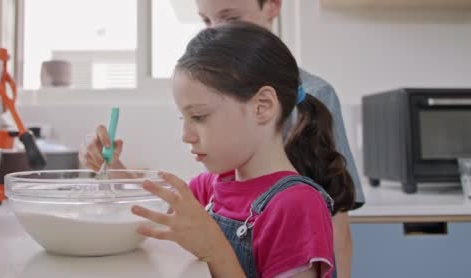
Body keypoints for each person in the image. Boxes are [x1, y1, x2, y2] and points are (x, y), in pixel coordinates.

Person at [80, 0, 365, 276]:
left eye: (229, 18)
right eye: (206, 21)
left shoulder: (312, 107)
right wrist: (116, 172)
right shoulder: (220, 181)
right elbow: (167, 202)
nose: (217, 33)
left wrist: (214, 249)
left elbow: (337, 225)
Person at [132, 22, 357, 277]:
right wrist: (113, 174)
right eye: (183, 118)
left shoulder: (297, 207)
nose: (186, 135)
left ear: (262, 107)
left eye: (200, 116)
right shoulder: (213, 187)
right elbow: (154, 212)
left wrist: (215, 251)